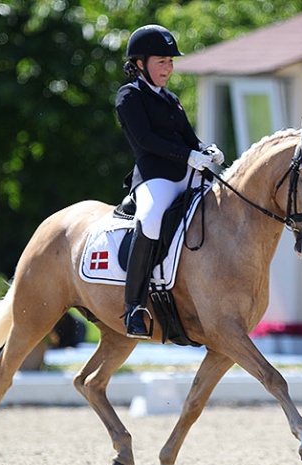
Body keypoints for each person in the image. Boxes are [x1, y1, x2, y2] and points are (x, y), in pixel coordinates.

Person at [115, 24, 224, 338]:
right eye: (161, 61)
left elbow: (190, 138)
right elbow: (146, 140)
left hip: (187, 174)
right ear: (140, 64)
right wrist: (188, 156)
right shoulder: (129, 96)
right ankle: (134, 306)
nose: (168, 67)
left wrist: (207, 150)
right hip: (155, 177)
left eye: (170, 61)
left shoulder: (171, 98)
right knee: (150, 219)